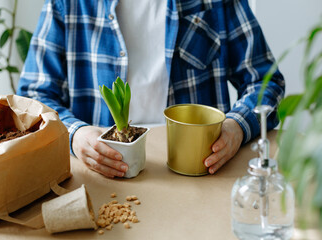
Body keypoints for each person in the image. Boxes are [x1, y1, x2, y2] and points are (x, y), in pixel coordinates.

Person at [17, 0, 285, 178]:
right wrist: (75, 134)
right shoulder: (67, 3)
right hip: (103, 174)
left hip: (201, 169)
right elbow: (33, 95)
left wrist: (236, 127)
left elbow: (266, 82)